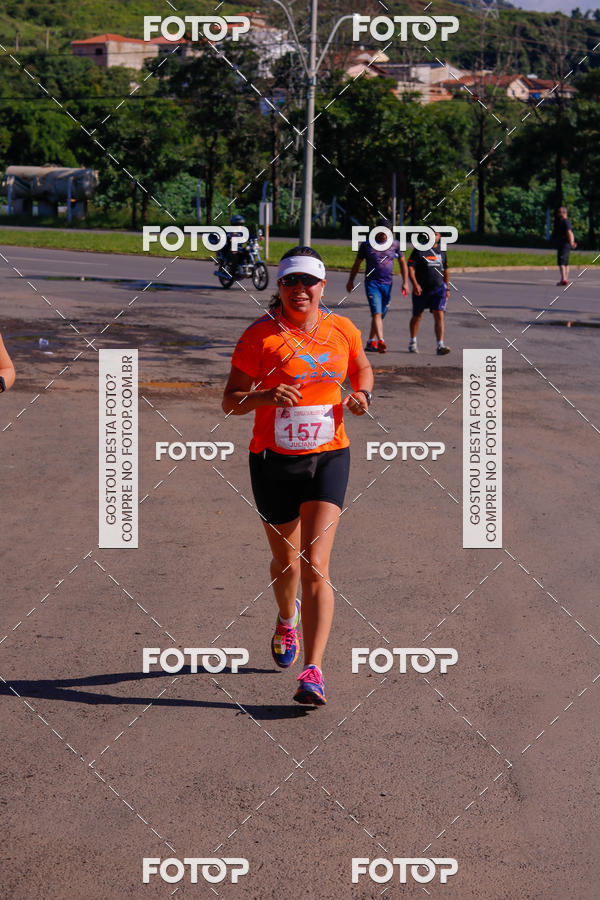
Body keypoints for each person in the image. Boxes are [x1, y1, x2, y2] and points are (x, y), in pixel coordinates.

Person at [222, 246, 374, 706]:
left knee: (315, 565)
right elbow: (230, 400)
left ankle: (314, 670)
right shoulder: (259, 336)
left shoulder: (342, 329)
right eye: (290, 281)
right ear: (280, 287)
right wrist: (265, 396)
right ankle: (286, 618)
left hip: (329, 456)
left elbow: (362, 369)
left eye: (309, 281)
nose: (300, 289)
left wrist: (362, 394)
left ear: (323, 286)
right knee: (286, 563)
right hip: (273, 460)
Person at [346, 223, 408, 354]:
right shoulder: (367, 245)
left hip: (388, 284)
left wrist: (405, 282)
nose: (383, 234)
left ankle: (370, 342)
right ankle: (381, 341)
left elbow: (403, 263)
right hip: (372, 283)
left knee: (381, 314)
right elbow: (357, 263)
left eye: (386, 231)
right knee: (377, 313)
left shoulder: (395, 244)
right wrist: (351, 280)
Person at [408, 231, 451, 355]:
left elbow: (446, 270)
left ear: (439, 237)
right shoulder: (419, 250)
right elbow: (410, 267)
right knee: (417, 316)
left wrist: (447, 288)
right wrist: (415, 284)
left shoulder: (442, 251)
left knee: (439, 315)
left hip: (438, 289)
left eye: (436, 234)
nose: (434, 236)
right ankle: (413, 341)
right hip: (421, 290)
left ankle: (440, 345)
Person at [556, 206, 577, 286]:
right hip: (565, 244)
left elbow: (569, 232)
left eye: (560, 212)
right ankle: (565, 279)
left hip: (564, 244)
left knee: (562, 262)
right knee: (566, 263)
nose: (558, 214)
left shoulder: (565, 221)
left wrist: (571, 242)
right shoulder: (563, 221)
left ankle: (563, 279)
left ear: (564, 212)